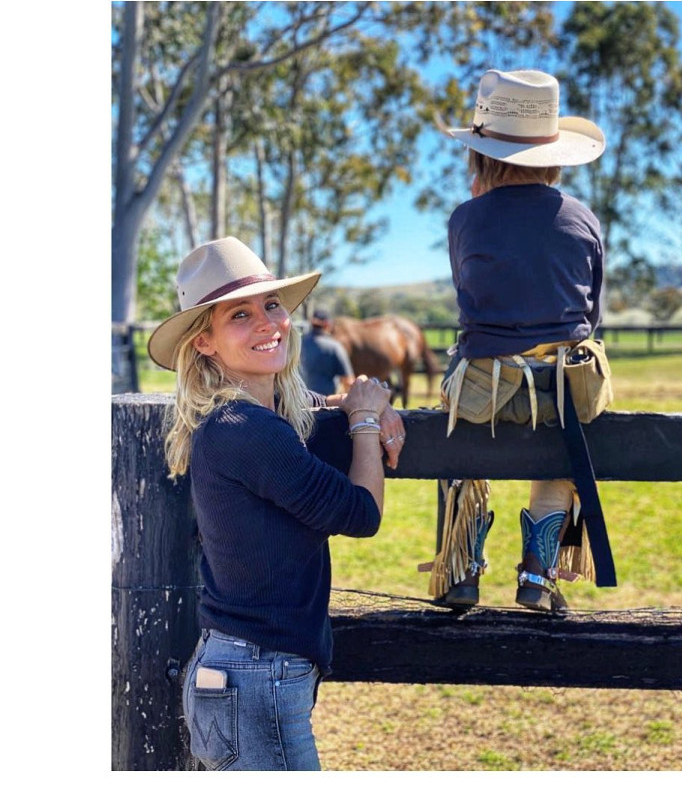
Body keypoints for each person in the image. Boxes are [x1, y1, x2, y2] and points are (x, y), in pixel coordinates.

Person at [147, 236, 405, 770]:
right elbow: (361, 513)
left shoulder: (250, 413)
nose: (268, 323)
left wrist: (356, 400)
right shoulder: (246, 429)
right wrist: (363, 421)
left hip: (246, 673)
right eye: (239, 315)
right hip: (256, 677)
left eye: (271, 306)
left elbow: (310, 404)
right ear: (205, 343)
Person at [429, 69, 616, 612]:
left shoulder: (465, 218)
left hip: (487, 389)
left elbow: (473, 301)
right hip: (566, 391)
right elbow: (590, 313)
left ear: (481, 157)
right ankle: (538, 572)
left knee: (453, 427)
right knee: (560, 452)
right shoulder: (582, 218)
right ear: (553, 154)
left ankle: (462, 565)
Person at [300, 308, 355, 395]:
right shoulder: (335, 347)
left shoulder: (299, 343)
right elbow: (348, 381)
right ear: (327, 324)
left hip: (301, 399)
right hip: (326, 402)